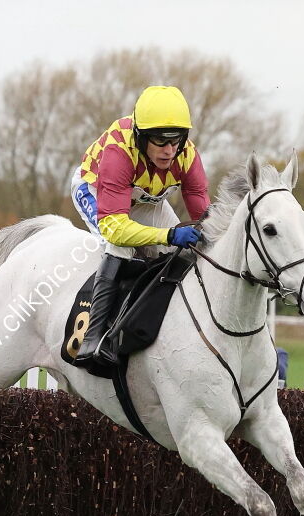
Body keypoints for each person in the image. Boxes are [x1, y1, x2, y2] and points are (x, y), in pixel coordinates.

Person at [70, 85, 210, 366]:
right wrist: (169, 234)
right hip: (96, 190)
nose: (170, 150)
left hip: (144, 197)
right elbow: (115, 228)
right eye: (160, 141)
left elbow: (202, 209)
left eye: (176, 140)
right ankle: (94, 338)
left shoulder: (187, 154)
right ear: (140, 136)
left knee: (191, 251)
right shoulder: (118, 151)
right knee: (121, 247)